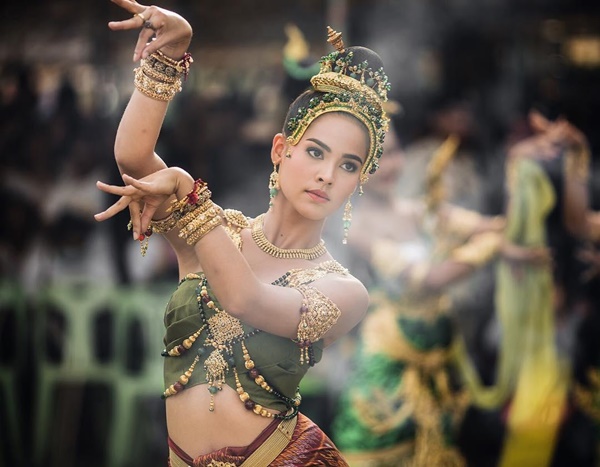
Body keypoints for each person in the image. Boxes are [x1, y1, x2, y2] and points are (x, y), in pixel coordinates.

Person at [93, 0, 391, 465]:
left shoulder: (344, 291)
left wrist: (188, 191)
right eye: (315, 152)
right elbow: (133, 158)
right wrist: (169, 55)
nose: (328, 175)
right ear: (280, 150)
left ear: (358, 182)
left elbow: (245, 300)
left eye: (348, 165)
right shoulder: (219, 231)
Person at [329, 120, 510, 466]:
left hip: (434, 356)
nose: (387, 166)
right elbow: (427, 280)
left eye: (393, 152)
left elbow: (497, 226)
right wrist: (489, 247)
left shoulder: (419, 211)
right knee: (378, 447)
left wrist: (521, 172)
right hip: (388, 358)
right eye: (373, 159)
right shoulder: (357, 227)